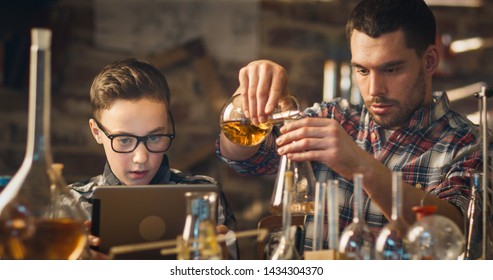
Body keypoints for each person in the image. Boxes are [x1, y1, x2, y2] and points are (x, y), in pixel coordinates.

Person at [216, 0, 482, 253]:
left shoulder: (470, 144)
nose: (374, 90)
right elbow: (245, 160)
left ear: (429, 61)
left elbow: (455, 235)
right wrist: (244, 104)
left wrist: (359, 164)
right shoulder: (332, 117)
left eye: (391, 70)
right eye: (362, 71)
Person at [69, 58, 238, 259]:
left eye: (155, 137)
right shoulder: (71, 206)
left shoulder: (204, 199)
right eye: (124, 140)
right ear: (96, 132)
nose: (141, 158)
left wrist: (222, 264)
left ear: (167, 127)